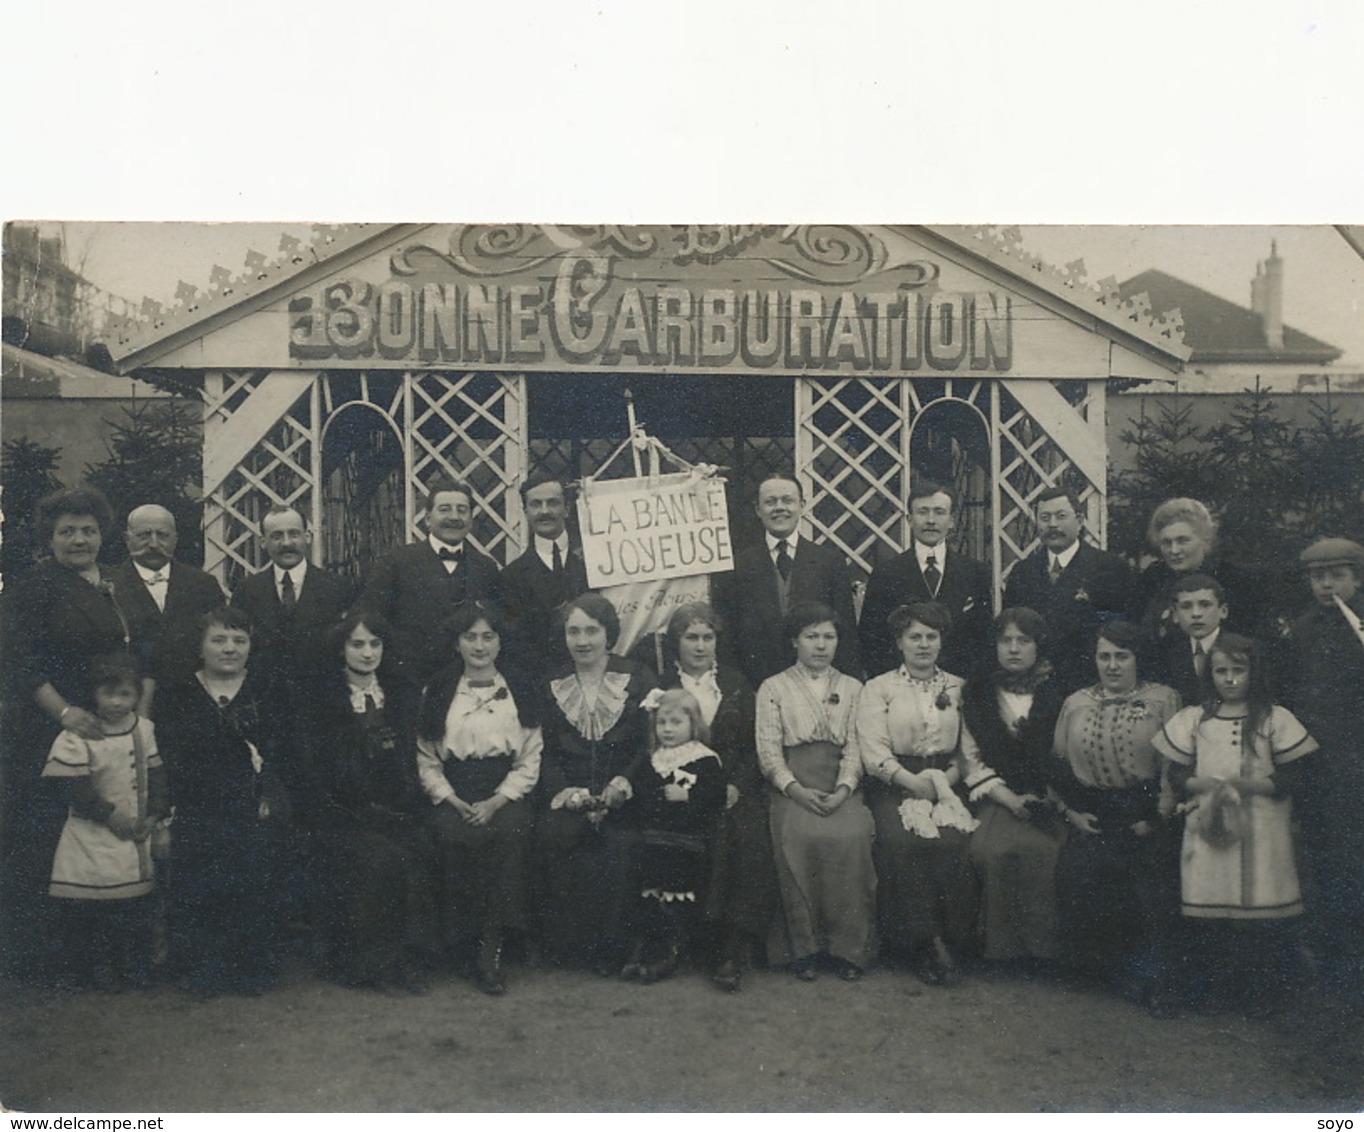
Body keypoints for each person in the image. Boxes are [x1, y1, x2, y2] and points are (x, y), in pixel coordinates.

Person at [1, 486, 134, 983]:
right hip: (45, 731)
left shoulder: (113, 582)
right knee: (44, 839)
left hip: (103, 726)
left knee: (96, 837)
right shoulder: (33, 587)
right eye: (68, 531)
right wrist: (64, 712)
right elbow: (18, 662)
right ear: (49, 538)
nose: (80, 540)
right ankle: (39, 963)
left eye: (89, 530)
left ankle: (99, 957)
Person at [1153, 632, 1316, 1016]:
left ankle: (1260, 995)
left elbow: (1297, 775)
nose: (1229, 679)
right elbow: (1176, 773)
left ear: (1253, 673)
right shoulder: (1197, 719)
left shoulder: (1275, 718)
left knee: (1260, 912)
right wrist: (1202, 784)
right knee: (1209, 908)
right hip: (1209, 824)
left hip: (1262, 826)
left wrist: (1252, 785)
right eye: (1220, 671)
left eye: (1237, 671)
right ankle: (1210, 991)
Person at [155, 608, 292, 997]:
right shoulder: (179, 694)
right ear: (200, 647)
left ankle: (252, 968)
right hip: (197, 806)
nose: (229, 649)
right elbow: (168, 754)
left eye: (239, 641)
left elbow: (283, 753)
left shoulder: (267, 691)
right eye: (218, 640)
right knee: (200, 879)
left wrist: (268, 794)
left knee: (253, 875)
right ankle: (203, 969)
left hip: (252, 805)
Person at [300, 609, 432, 994]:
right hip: (342, 811)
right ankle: (371, 964)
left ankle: (407, 959)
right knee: (378, 860)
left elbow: (410, 758)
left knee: (416, 848)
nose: (367, 653)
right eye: (357, 644)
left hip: (395, 806)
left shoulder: (399, 694)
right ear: (342, 649)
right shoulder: (324, 699)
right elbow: (316, 768)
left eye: (375, 644)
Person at [1051, 620, 1181, 1004]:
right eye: (1104, 656)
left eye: (1122, 656)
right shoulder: (1076, 703)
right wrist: (1071, 811)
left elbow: (1174, 766)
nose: (1112, 665)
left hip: (1145, 809)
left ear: (1137, 658)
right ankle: (1103, 973)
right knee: (1082, 874)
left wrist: (1156, 816)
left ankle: (1152, 979)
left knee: (1148, 885)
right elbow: (1058, 765)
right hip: (1093, 809)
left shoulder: (1163, 700)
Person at [416, 601, 542, 995]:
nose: (479, 645)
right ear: (457, 644)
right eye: (470, 637)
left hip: (504, 791)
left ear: (501, 643)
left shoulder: (519, 686)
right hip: (455, 790)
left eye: (488, 636)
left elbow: (530, 756)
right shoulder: (437, 689)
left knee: (506, 836)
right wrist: (451, 799)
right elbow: (427, 758)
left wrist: (496, 801)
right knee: (453, 837)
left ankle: (492, 949)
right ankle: (458, 943)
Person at [656, 602, 776, 993]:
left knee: (743, 835)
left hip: (729, 784)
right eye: (691, 637)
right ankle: (671, 941)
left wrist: (736, 784)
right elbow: (650, 745)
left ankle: (731, 945)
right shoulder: (659, 686)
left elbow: (750, 745)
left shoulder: (737, 684)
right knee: (668, 833)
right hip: (677, 783)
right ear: (676, 642)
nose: (701, 646)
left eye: (708, 638)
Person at [857, 601, 978, 985]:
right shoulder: (879, 688)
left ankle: (955, 939)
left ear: (942, 641)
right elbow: (873, 749)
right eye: (915, 637)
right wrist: (912, 784)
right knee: (901, 843)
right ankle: (920, 942)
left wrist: (949, 780)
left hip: (947, 781)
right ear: (899, 643)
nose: (923, 645)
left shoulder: (959, 687)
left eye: (931, 637)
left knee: (955, 841)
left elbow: (968, 748)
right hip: (896, 782)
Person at [536, 592, 656, 975]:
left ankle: (613, 950)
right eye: (574, 631)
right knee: (556, 836)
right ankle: (568, 950)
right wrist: (568, 793)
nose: (583, 640)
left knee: (621, 846)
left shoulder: (637, 677)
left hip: (626, 792)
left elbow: (649, 744)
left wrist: (623, 783)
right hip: (569, 793)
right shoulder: (551, 682)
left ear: (609, 633)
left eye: (592, 630)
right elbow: (544, 750)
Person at [756, 600, 874, 982]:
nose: (821, 645)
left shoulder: (855, 688)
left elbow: (857, 746)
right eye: (811, 637)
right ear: (794, 641)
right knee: (798, 837)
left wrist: (844, 789)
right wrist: (794, 788)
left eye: (829, 636)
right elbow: (769, 751)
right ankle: (802, 948)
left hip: (840, 784)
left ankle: (847, 949)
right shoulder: (773, 687)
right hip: (792, 786)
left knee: (853, 835)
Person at [41, 655, 169, 990]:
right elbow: (71, 786)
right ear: (94, 695)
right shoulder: (78, 735)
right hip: (90, 832)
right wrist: (108, 814)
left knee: (131, 905)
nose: (116, 702)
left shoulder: (144, 729)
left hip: (134, 832)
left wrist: (154, 814)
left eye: (125, 695)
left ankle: (130, 967)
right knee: (87, 905)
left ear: (136, 697)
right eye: (108, 694)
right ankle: (87, 971)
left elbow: (156, 775)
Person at [1279, 537, 1364, 989]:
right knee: (1321, 856)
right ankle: (1330, 956)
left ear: (1355, 577)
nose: (1327, 584)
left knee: (1355, 858)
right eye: (1317, 576)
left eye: (1337, 575)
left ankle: (1354, 956)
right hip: (1315, 765)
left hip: (1357, 766)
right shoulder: (1303, 629)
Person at [960, 607, 1067, 964]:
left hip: (1049, 794)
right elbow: (971, 759)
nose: (1014, 649)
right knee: (991, 851)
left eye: (1024, 641)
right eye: (1005, 641)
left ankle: (1041, 952)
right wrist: (1007, 798)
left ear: (1039, 646)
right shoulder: (977, 692)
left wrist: (1045, 796)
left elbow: (1065, 754)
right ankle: (1001, 950)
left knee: (1047, 852)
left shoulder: (1058, 692)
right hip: (999, 794)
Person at [712, 474, 861, 689]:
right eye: (770, 502)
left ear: (801, 506)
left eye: (787, 500)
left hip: (818, 684)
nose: (779, 508)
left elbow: (845, 633)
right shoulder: (738, 565)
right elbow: (727, 638)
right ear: (757, 510)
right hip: (755, 685)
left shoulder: (828, 561)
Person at [623, 688, 727, 984]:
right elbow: (642, 795)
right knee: (646, 878)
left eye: (675, 723)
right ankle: (645, 945)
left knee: (674, 880)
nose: (667, 730)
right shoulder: (653, 759)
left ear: (693, 725)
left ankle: (671, 947)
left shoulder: (703, 759)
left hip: (687, 838)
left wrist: (687, 796)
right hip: (653, 836)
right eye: (662, 723)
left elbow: (714, 797)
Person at [360, 477, 502, 685]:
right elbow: (368, 621)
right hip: (412, 684)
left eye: (462, 510)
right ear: (427, 518)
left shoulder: (486, 568)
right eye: (444, 509)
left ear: (471, 520)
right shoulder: (395, 563)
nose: (454, 517)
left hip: (470, 685)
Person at [1002, 486, 1134, 696]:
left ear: (1080, 520)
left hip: (1090, 686)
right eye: (1045, 517)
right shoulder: (1023, 572)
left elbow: (1121, 631)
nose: (1052, 524)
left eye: (1061, 516)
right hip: (1035, 687)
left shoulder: (1109, 568)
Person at [859, 480, 993, 681]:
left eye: (939, 512)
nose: (931, 520)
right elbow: (872, 639)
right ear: (909, 519)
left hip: (960, 685)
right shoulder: (886, 573)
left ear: (952, 520)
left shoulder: (974, 572)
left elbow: (983, 638)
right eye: (923, 512)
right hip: (902, 686)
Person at [108, 504, 226, 707]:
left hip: (194, 704)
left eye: (162, 535)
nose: (154, 544)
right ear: (127, 539)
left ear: (175, 539)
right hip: (127, 705)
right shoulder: (109, 584)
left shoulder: (203, 585)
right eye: (144, 535)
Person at [230, 505, 354, 696]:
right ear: (263, 542)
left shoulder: (338, 588)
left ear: (308, 537)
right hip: (264, 704)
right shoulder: (246, 591)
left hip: (322, 704)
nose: (286, 543)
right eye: (277, 536)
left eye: (294, 534)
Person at [1129, 498, 1264, 643]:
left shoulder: (1234, 580)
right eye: (1166, 543)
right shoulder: (1153, 579)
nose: (1174, 550)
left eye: (1182, 541)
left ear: (1204, 539)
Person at [500, 474, 590, 680]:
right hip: (539, 685)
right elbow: (515, 644)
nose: (544, 511)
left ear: (567, 509)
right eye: (535, 504)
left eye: (553, 503)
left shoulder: (594, 564)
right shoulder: (510, 577)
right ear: (525, 512)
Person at [1153, 573, 1228, 707]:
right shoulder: (1165, 653)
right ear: (1175, 615)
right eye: (1186, 606)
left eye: (1205, 605)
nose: (1196, 614)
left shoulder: (1242, 650)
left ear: (1223, 611)